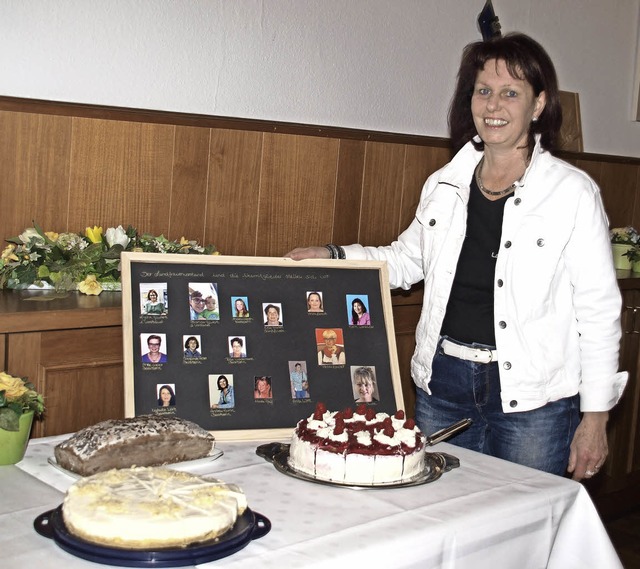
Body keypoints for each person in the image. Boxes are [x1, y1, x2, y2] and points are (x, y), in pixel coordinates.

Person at [287, 33, 627, 481]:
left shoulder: (573, 193)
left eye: (510, 93)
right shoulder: (444, 185)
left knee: (523, 532)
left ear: (539, 104)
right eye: (483, 91)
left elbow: (599, 312)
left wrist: (596, 418)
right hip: (443, 385)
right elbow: (405, 260)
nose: (493, 106)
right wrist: (332, 257)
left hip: (533, 401)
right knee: (440, 518)